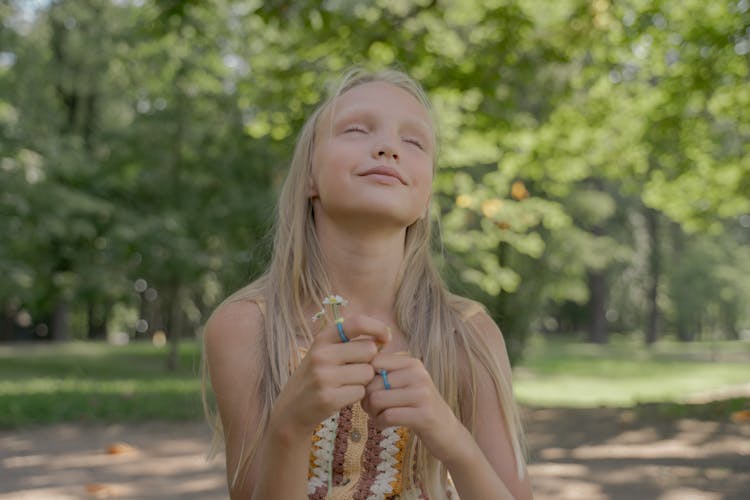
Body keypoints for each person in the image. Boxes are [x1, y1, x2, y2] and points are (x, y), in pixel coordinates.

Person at [202, 67, 534, 500]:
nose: (387, 147)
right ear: (309, 178)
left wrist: (450, 436)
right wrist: (290, 426)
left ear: (424, 197)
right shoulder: (246, 327)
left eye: (413, 141)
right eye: (357, 129)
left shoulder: (468, 335)